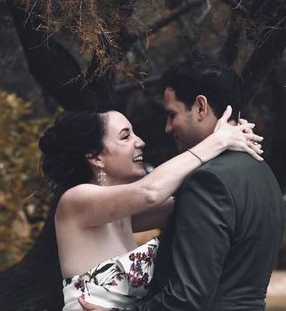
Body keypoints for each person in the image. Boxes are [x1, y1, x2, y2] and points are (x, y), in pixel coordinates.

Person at [79, 55, 286, 311]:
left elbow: (187, 299)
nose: (167, 127)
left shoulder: (209, 181)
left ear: (201, 107)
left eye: (171, 114)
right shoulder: (262, 173)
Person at [40, 97, 264, 310]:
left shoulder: (125, 214)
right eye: (126, 137)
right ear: (96, 157)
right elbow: (150, 191)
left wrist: (233, 141)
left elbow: (195, 200)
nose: (140, 142)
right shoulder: (75, 201)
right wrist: (217, 141)